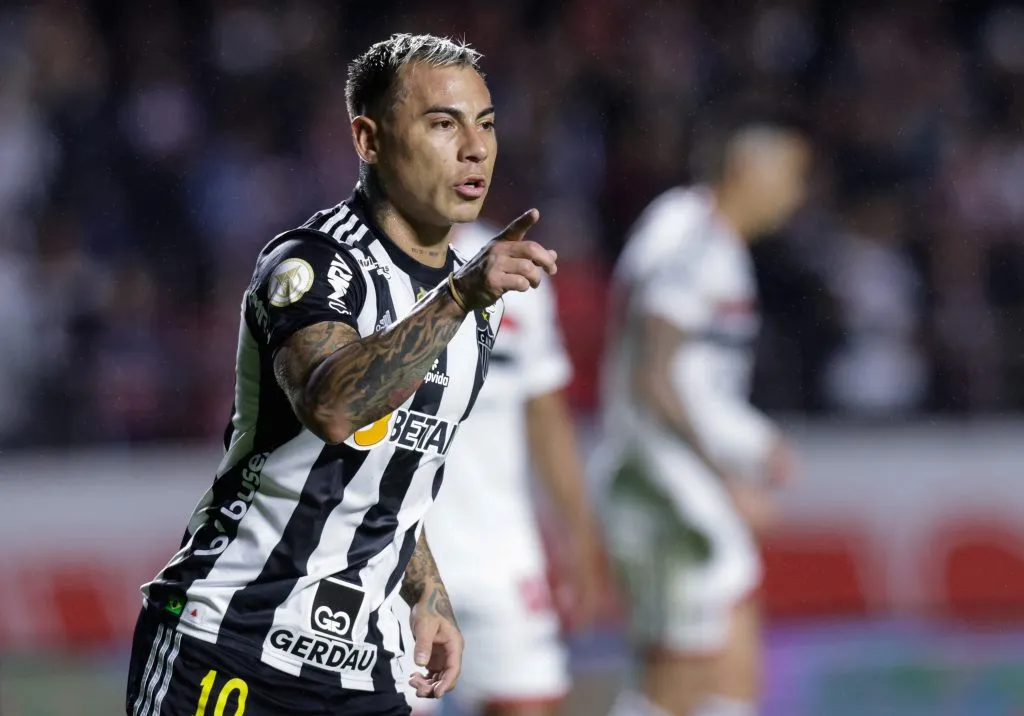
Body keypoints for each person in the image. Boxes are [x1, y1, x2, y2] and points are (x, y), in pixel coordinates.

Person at [125, 33, 559, 716]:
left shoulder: (473, 310)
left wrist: (428, 596)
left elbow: (388, 476)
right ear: (369, 139)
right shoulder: (313, 266)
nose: (475, 148)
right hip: (228, 647)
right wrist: (457, 298)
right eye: (443, 123)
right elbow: (332, 406)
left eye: (487, 124)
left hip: (363, 675)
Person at [596, 109, 811, 716]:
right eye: (792, 176)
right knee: (678, 685)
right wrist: (730, 478)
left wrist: (753, 438)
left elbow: (693, 380)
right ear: (747, 170)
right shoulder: (694, 241)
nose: (798, 195)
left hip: (672, 482)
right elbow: (654, 374)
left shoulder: (699, 234)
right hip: (665, 489)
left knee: (727, 679)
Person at [398, 221, 605, 716]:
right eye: (443, 135)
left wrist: (579, 538)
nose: (468, 148)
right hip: (395, 560)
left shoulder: (517, 269)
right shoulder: (356, 265)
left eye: (481, 137)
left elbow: (547, 417)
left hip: (502, 557)